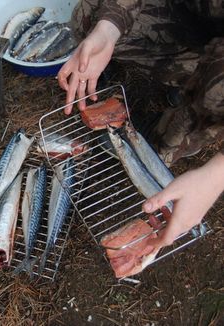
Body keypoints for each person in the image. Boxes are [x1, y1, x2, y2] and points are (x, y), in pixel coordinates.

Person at [57, 0, 224, 248]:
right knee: (90, 15)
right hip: (198, 19)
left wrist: (214, 177)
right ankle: (190, 78)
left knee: (216, 90)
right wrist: (107, 30)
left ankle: (190, 123)